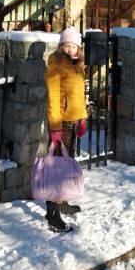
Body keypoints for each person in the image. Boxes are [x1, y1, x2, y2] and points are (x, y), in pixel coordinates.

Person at [44, 27, 87, 233]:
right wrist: (55, 127)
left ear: (79, 48)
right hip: (60, 123)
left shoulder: (77, 65)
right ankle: (53, 214)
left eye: (74, 46)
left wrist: (82, 117)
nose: (70, 49)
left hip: (73, 122)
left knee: (67, 165)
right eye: (66, 45)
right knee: (56, 169)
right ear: (61, 46)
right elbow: (53, 98)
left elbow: (79, 95)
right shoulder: (56, 65)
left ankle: (62, 202)